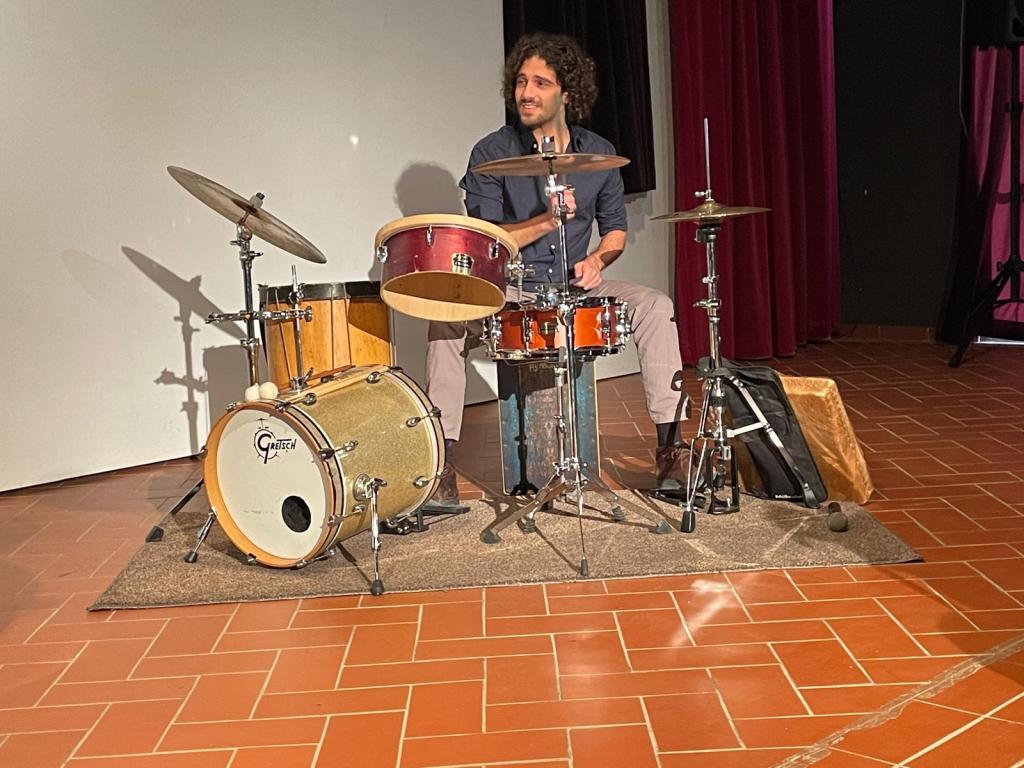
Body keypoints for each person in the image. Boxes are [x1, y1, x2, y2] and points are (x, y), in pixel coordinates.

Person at [422, 32, 689, 512]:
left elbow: (615, 231)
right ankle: (440, 463)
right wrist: (547, 220)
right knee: (445, 322)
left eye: (540, 83)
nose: (526, 93)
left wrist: (597, 260)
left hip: (574, 287)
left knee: (655, 306)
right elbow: (487, 240)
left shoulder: (598, 154)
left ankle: (671, 450)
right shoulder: (491, 152)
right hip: (509, 290)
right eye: (521, 82)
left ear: (567, 92)